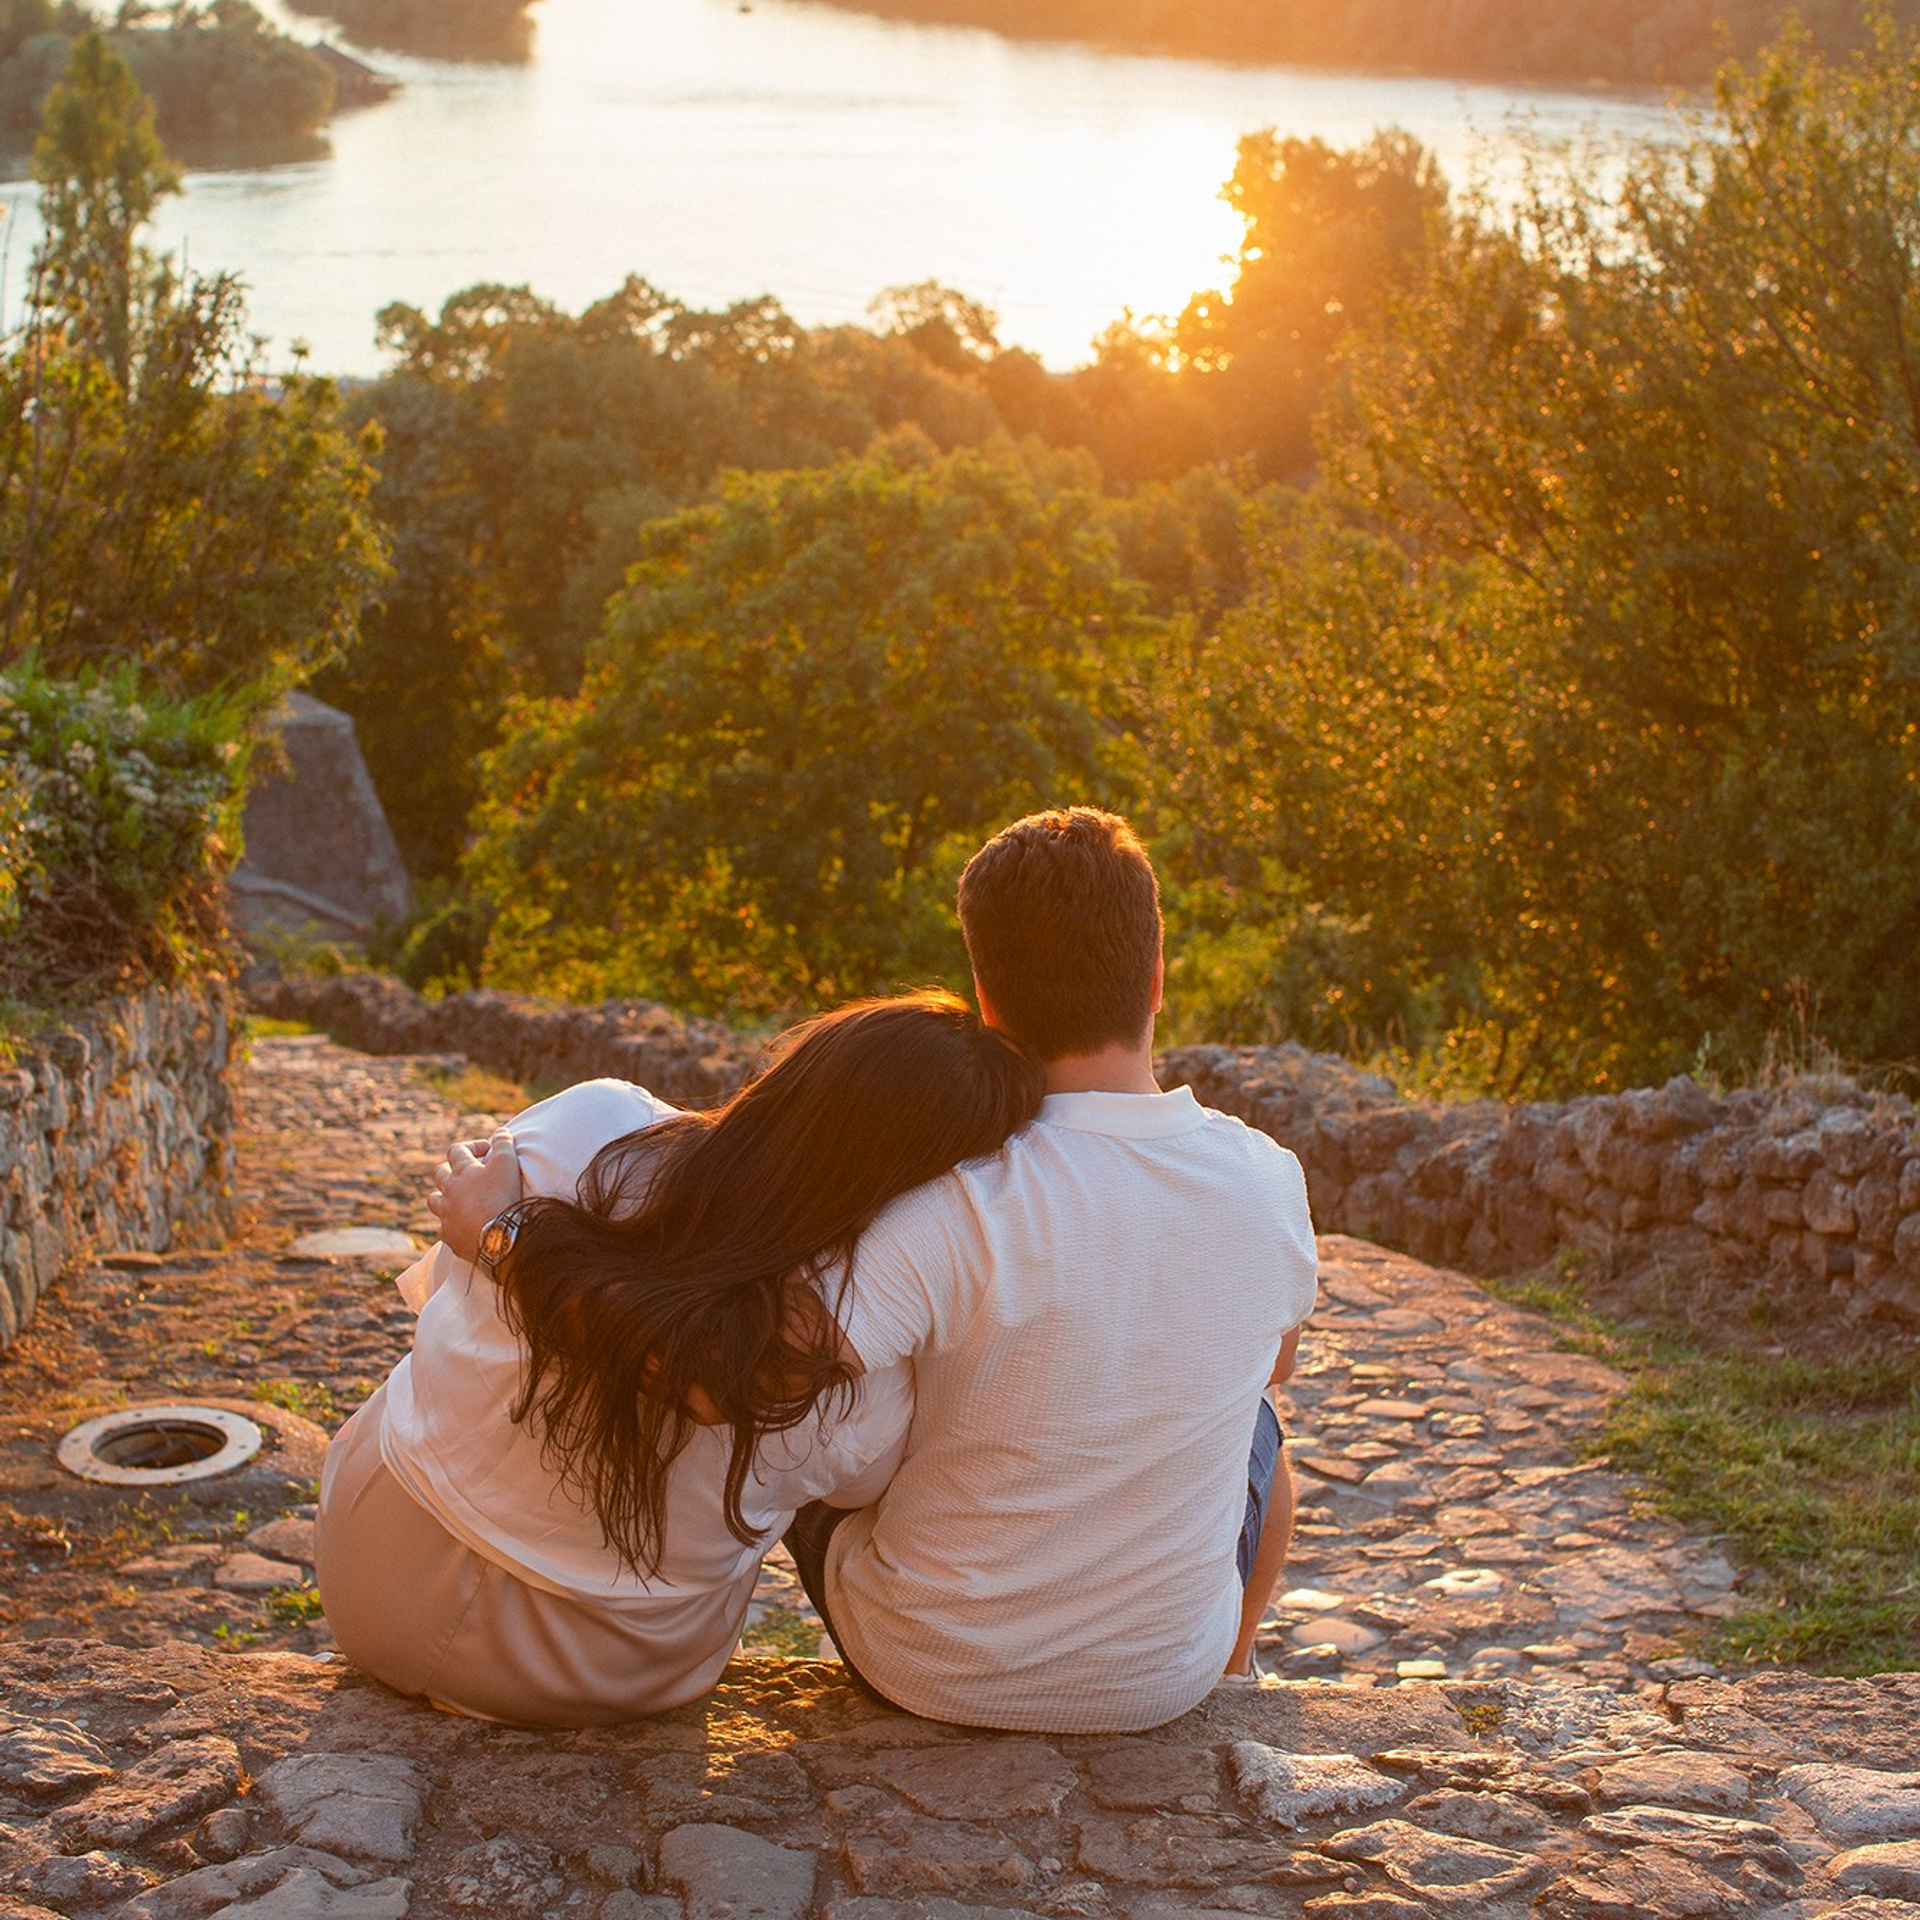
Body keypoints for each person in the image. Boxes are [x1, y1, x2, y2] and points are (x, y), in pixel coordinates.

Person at [315, 991, 1043, 1727]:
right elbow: (857, 1494)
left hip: (371, 1572)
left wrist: (507, 1240)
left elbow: (444, 1292)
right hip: (598, 1673)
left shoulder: (592, 1125)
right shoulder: (863, 1376)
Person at [784, 806, 1318, 1732]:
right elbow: (1275, 1364)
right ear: (1156, 981)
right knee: (1260, 1427)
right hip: (1161, 1682)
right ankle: (1232, 1669)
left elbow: (783, 1376)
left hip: (925, 1666)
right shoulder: (1269, 1180)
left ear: (986, 1002)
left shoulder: (948, 1196)